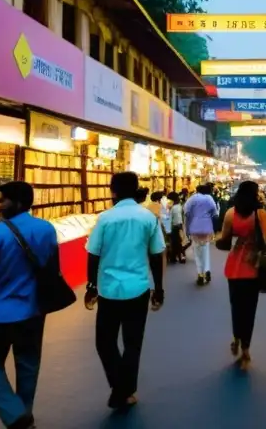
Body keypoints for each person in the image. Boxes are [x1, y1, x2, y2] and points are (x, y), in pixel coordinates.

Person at [0, 181, 59, 429]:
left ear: (17, 202)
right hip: (33, 310)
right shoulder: (46, 229)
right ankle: (25, 412)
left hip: (0, 312)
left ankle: (14, 411)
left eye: (2, 200)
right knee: (28, 363)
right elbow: (52, 268)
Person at [85, 172, 165, 412]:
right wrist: (158, 288)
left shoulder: (105, 219)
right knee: (133, 342)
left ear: (114, 191)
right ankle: (125, 390)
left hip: (109, 289)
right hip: (138, 288)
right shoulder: (148, 218)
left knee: (104, 342)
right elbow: (156, 254)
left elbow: (93, 253)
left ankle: (120, 388)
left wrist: (91, 286)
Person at [220, 180, 266, 370]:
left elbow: (224, 242)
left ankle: (236, 337)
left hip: (234, 266)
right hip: (253, 267)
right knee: (250, 309)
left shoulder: (230, 213)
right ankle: (246, 349)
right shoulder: (261, 214)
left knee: (236, 305)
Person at [185, 183, 219, 285]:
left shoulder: (192, 198)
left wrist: (188, 228)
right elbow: (215, 213)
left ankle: (200, 274)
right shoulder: (209, 198)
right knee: (205, 250)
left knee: (197, 252)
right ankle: (207, 270)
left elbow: (186, 212)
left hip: (195, 227)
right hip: (206, 227)